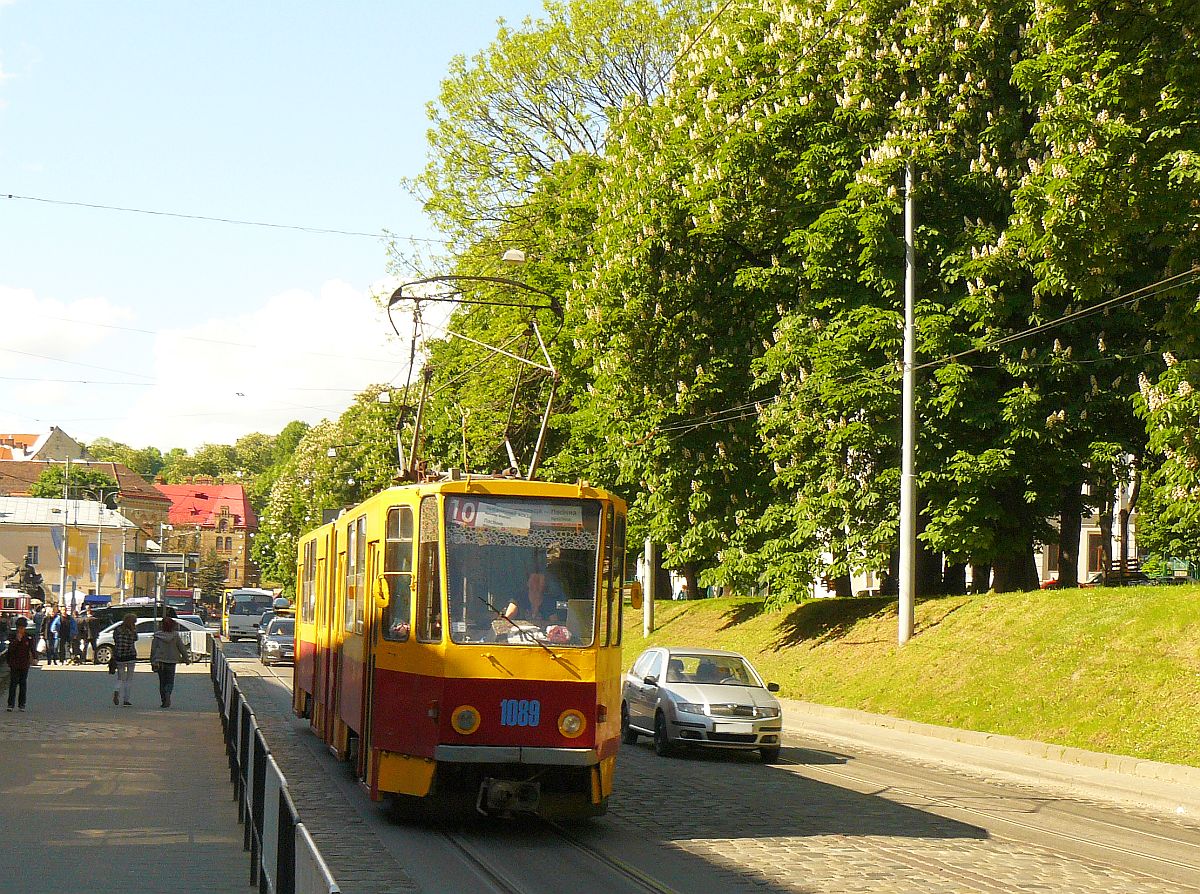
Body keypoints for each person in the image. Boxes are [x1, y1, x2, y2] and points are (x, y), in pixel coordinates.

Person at [149, 610, 190, 708]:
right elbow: (181, 648)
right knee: (170, 681)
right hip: (172, 661)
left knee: (162, 681)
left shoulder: (157, 636)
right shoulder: (175, 636)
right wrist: (186, 658)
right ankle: (168, 693)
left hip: (160, 661)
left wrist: (152, 660)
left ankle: (164, 700)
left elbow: (153, 649)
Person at [6, 617, 34, 712]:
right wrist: (17, 640)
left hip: (24, 664)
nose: (20, 630)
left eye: (22, 628)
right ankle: (10, 704)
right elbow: (10, 650)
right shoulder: (12, 637)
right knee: (13, 684)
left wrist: (34, 658)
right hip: (14, 663)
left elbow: (31, 649)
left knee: (23, 684)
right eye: (19, 628)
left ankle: (22, 704)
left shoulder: (28, 637)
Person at [112, 613, 139, 706]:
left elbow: (115, 639)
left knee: (120, 677)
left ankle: (116, 690)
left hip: (119, 656)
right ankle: (126, 700)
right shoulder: (132, 630)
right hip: (131, 655)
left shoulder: (117, 629)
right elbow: (136, 639)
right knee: (129, 679)